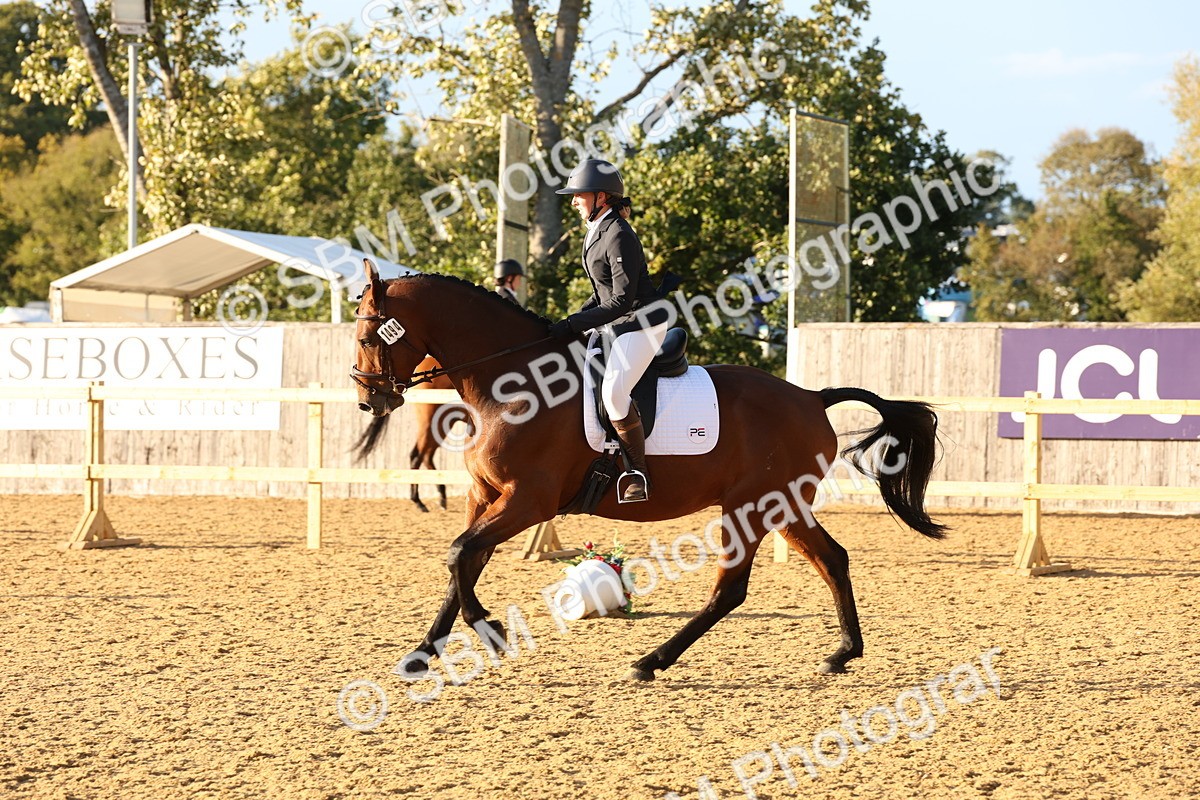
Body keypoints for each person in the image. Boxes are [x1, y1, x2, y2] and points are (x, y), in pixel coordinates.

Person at [548, 158, 669, 503]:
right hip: (617, 322)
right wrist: (570, 320)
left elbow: (620, 300)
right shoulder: (597, 229)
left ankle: (637, 473)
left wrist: (575, 324)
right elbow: (600, 292)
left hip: (641, 323)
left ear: (601, 196)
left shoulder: (617, 233)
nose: (573, 200)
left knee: (614, 393)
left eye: (578, 194)